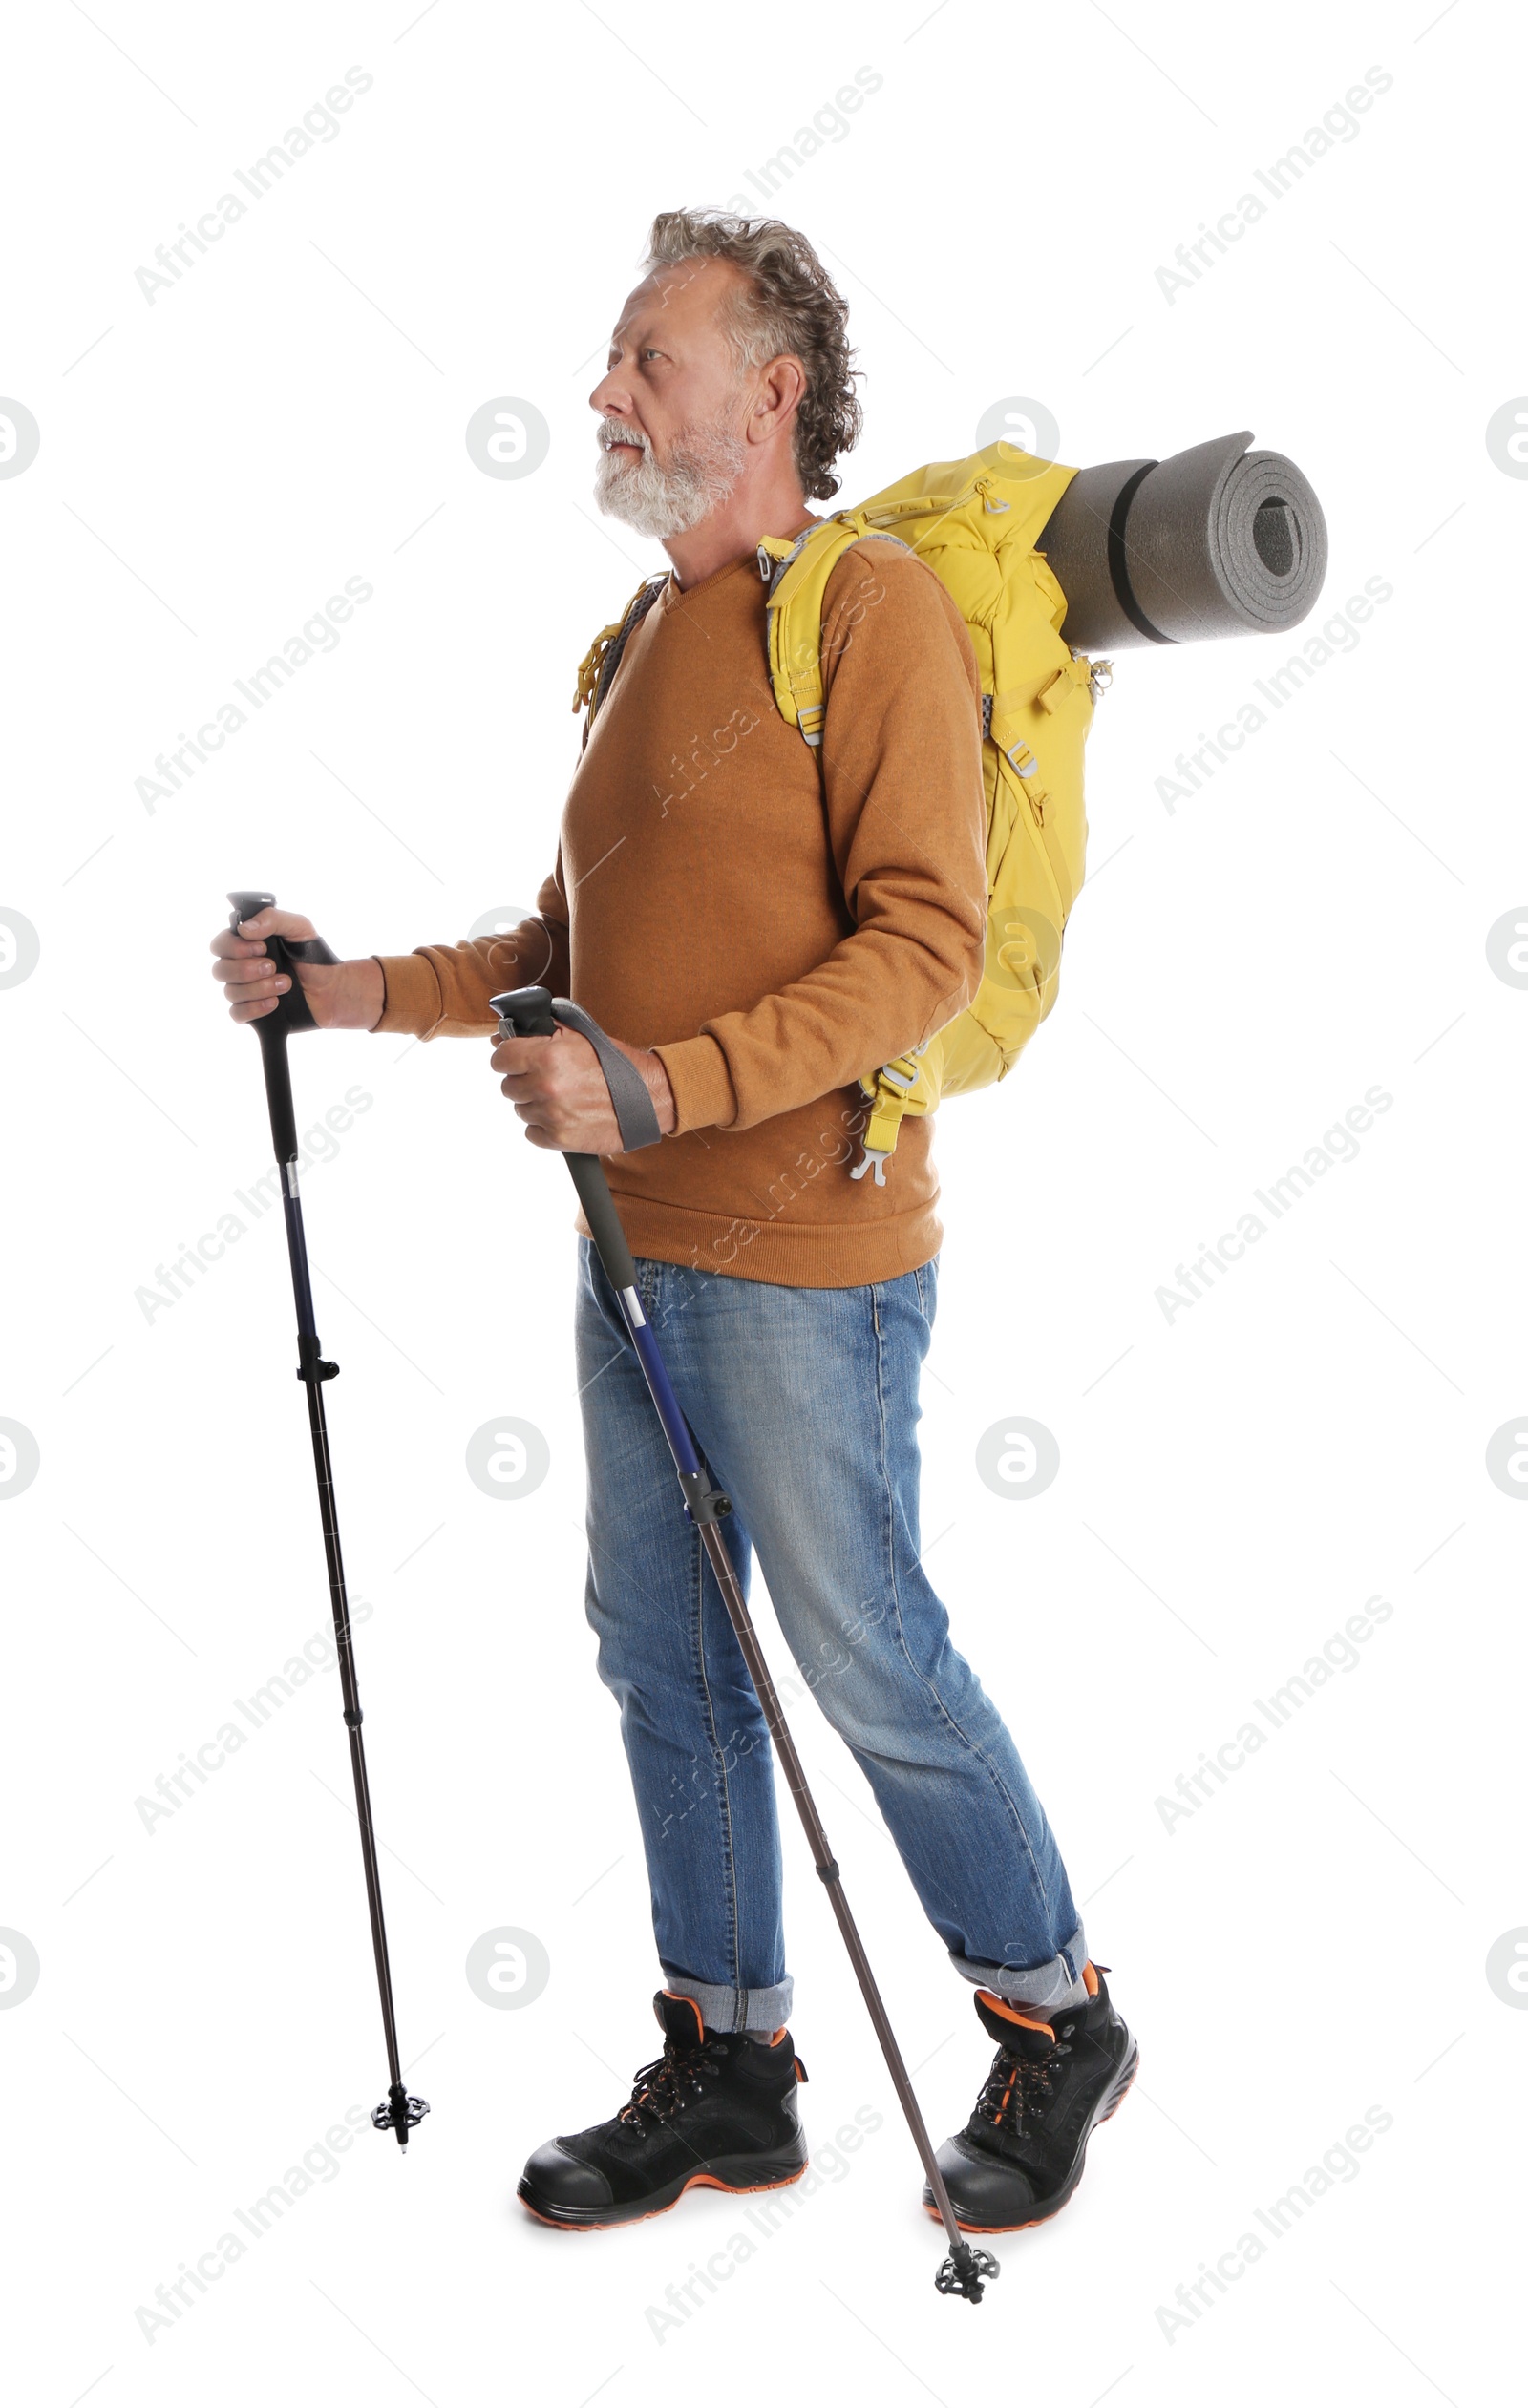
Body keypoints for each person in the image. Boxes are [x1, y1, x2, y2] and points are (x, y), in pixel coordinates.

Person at [210, 206, 1135, 2238]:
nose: (606, 390)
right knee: (666, 1657)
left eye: (646, 355)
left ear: (768, 390)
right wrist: (345, 985)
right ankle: (731, 2057)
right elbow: (568, 947)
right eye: (615, 358)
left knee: (863, 1647)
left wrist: (654, 1086)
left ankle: (1054, 2015)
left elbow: (919, 946)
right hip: (630, 1252)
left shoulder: (865, 606)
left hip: (809, 1260)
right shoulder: (639, 643)